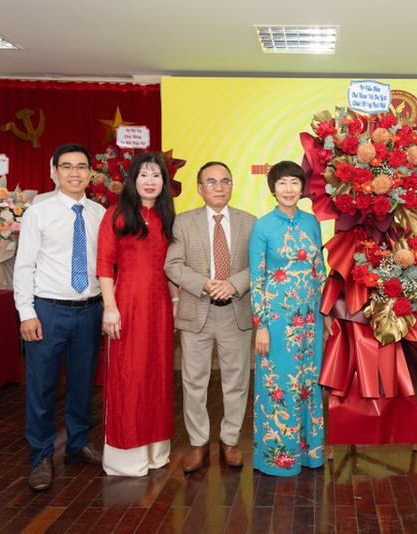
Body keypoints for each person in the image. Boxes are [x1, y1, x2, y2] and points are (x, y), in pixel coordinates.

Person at [13, 142, 106, 491]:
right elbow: (24, 266)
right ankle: (40, 455)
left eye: (81, 167)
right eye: (66, 166)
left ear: (91, 174)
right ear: (54, 171)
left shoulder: (99, 213)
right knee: (42, 387)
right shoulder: (38, 212)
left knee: (82, 385)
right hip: (47, 311)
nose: (74, 173)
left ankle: (78, 444)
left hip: (90, 310)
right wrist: (26, 313)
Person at [164, 161, 256, 473]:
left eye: (225, 181)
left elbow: (260, 264)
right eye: (212, 182)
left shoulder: (250, 222)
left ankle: (230, 440)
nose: (219, 187)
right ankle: (198, 442)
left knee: (236, 381)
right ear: (200, 188)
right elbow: (173, 265)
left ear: (232, 186)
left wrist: (235, 284)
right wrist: (204, 284)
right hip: (196, 311)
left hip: (236, 310)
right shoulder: (183, 222)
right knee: (194, 381)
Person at [97, 152, 177, 476]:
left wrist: (176, 302)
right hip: (126, 304)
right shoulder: (115, 215)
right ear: (132, 180)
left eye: (156, 175)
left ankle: (156, 451)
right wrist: (110, 308)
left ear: (164, 182)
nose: (150, 181)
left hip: (160, 306)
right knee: (128, 375)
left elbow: (171, 267)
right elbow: (104, 266)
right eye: (143, 174)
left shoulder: (166, 217)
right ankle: (126, 456)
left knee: (157, 376)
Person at [249, 160, 327, 476]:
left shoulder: (312, 222)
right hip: (278, 320)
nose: (289, 189)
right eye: (282, 183)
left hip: (310, 318)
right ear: (273, 188)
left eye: (294, 182)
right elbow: (257, 279)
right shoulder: (262, 226)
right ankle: (279, 458)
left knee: (308, 383)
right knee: (279, 384)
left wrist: (326, 314)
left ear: (302, 187)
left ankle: (309, 454)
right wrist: (261, 326)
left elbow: (319, 270)